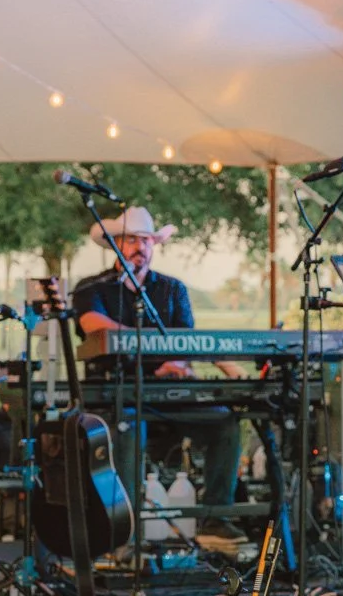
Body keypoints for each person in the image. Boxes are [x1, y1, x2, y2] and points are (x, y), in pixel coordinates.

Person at [70, 207, 249, 551]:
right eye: (133, 239)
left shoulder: (172, 288)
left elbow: (186, 341)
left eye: (147, 240)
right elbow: (94, 326)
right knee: (127, 426)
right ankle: (123, 530)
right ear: (115, 245)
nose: (141, 247)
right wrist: (156, 353)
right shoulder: (92, 288)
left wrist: (175, 363)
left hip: (170, 394)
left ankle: (215, 520)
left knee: (225, 423)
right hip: (116, 395)